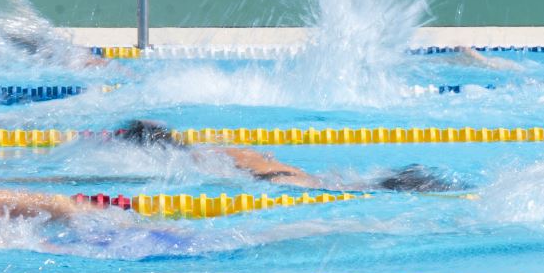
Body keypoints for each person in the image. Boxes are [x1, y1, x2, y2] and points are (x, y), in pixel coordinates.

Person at [115, 120, 462, 192]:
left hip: (281, 182)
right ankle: (405, 182)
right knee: (356, 186)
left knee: (352, 189)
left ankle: (400, 184)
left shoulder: (195, 159)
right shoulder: (224, 146)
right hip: (288, 174)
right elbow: (262, 155)